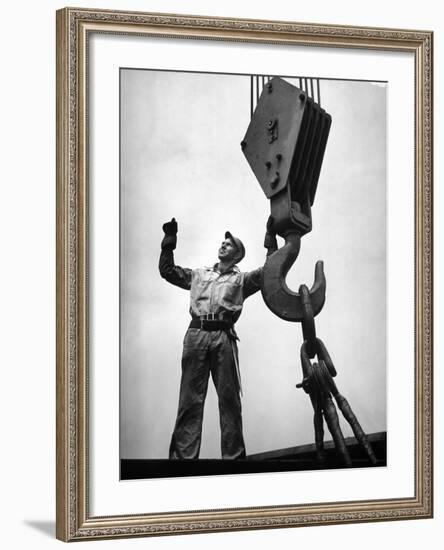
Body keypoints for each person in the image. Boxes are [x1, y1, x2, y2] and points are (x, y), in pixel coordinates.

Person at [159, 217, 277, 459]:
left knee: (229, 399)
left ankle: (234, 459)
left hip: (224, 337)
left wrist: (270, 240)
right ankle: (183, 461)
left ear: (238, 255)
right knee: (190, 400)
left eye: (229, 244)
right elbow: (168, 272)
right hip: (196, 335)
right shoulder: (199, 274)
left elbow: (270, 272)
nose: (223, 245)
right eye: (223, 242)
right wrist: (168, 242)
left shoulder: (242, 279)